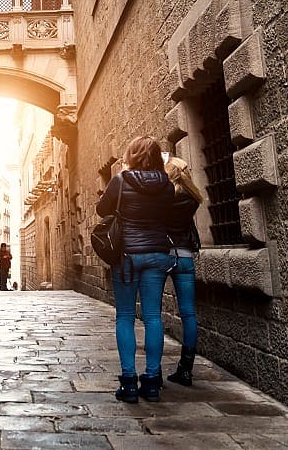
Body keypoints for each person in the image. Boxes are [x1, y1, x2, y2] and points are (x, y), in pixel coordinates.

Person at [96, 136, 187, 404]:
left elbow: (102, 210)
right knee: (153, 317)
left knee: (124, 316)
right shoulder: (167, 186)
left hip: (126, 257)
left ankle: (129, 383)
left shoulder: (120, 181)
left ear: (131, 155)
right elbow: (167, 217)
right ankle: (151, 381)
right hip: (157, 255)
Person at [164, 156, 203, 386]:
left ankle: (153, 372)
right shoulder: (192, 199)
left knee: (152, 314)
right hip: (186, 257)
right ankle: (186, 369)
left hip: (164, 256)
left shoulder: (163, 199)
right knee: (188, 313)